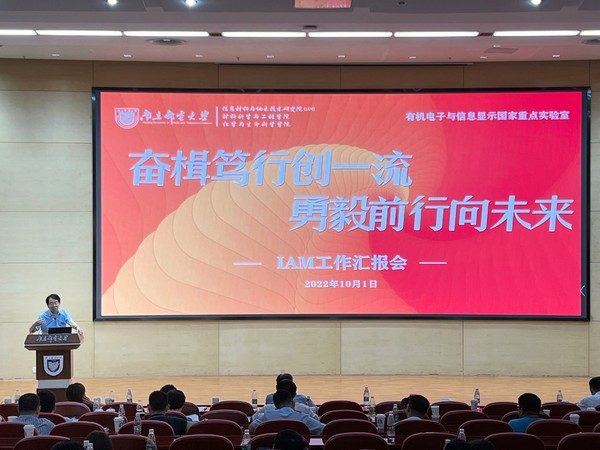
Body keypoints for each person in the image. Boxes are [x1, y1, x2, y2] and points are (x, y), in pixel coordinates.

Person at [250, 390, 324, 436]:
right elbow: (324, 429)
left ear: (275, 405)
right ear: (293, 402)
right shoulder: (304, 418)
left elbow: (251, 428)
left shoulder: (267, 416)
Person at [253, 380, 318, 422]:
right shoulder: (305, 409)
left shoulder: (266, 409)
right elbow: (317, 421)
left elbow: (252, 420)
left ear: (277, 392)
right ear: (295, 394)